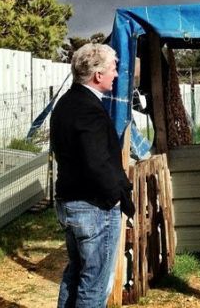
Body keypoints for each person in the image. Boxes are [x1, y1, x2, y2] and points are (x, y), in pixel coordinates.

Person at [50, 43, 135, 308]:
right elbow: (96, 162)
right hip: (93, 207)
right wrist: (116, 198)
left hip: (71, 202)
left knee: (75, 274)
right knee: (94, 283)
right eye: (113, 69)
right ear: (98, 75)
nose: (117, 75)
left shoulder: (65, 103)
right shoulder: (88, 109)